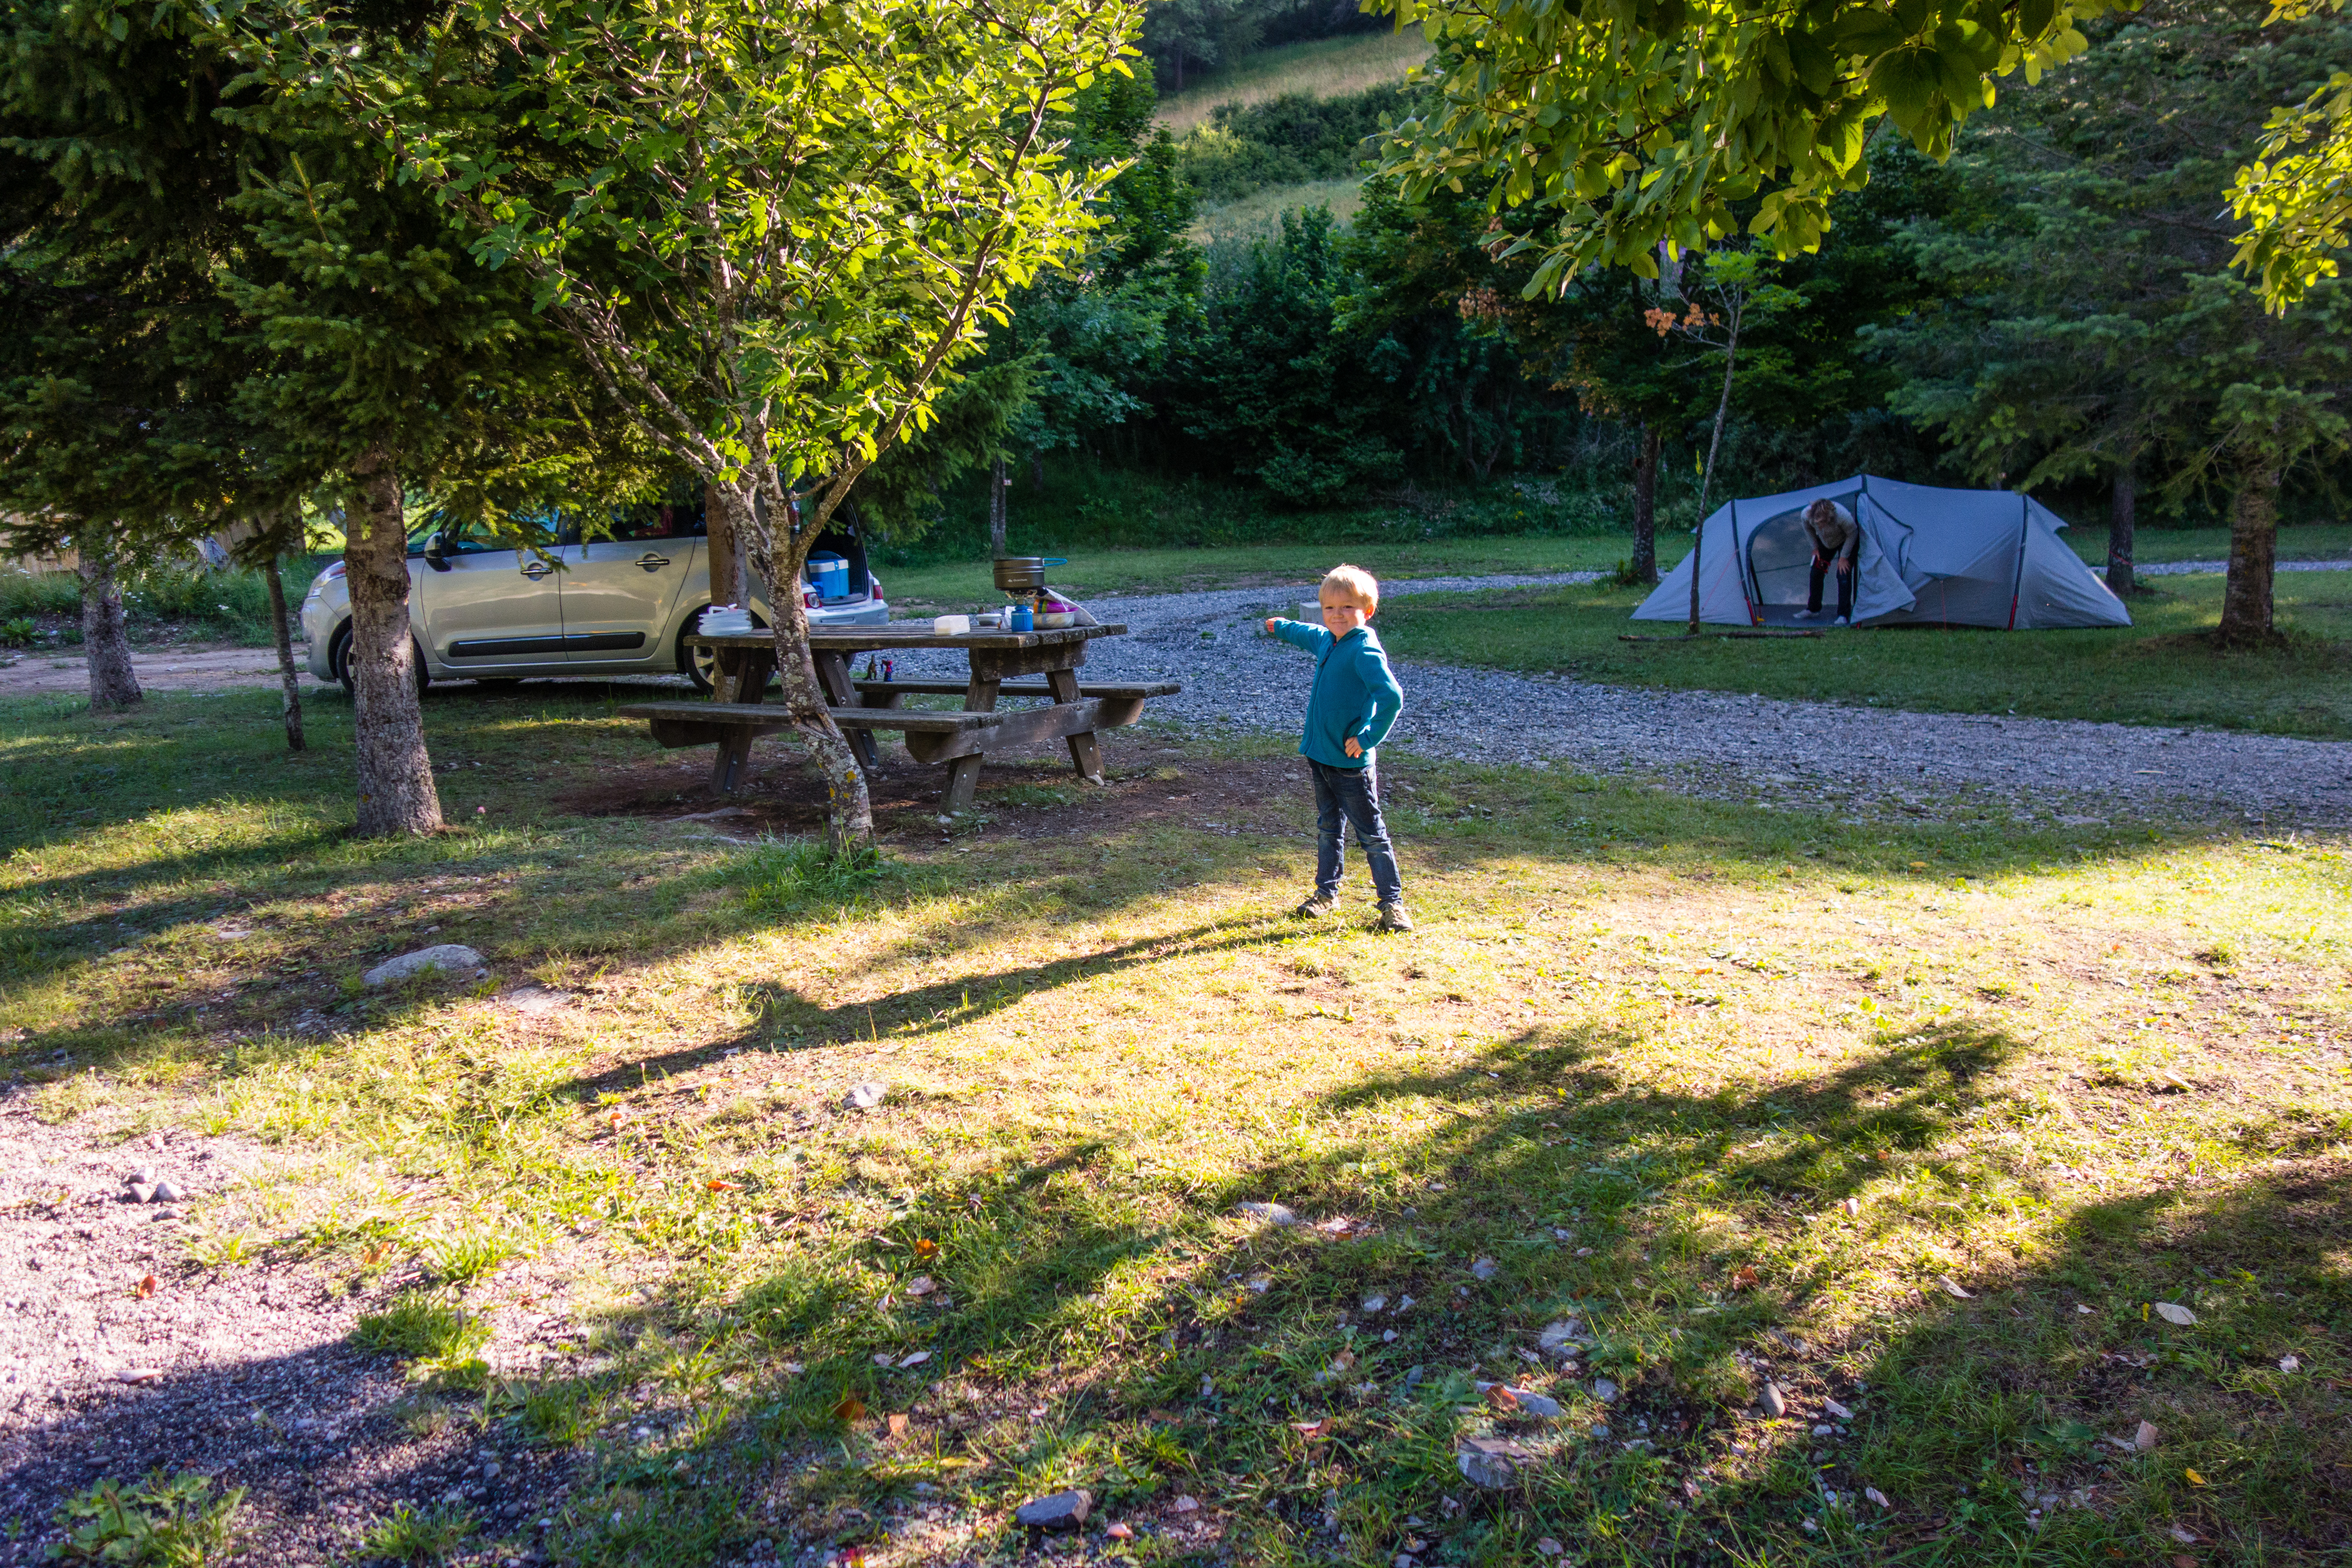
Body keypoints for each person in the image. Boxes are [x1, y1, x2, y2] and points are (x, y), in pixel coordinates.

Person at [1263, 565, 1412, 932]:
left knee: (1372, 836)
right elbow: (1307, 632)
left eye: (1347, 608)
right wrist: (1280, 626)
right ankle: (1326, 894)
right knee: (1329, 828)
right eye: (1330, 608)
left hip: (1350, 765)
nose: (1337, 615)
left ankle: (1393, 905)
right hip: (1320, 758)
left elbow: (1391, 698)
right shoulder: (1329, 639)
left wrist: (1366, 738)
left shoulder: (1363, 650)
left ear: (1368, 611)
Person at [1796, 497, 1859, 625]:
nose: (1819, 526)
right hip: (1826, 543)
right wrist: (1815, 548)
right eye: (1817, 523)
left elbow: (1853, 533)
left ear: (1828, 517)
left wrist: (1844, 557)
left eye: (1822, 523)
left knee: (1843, 574)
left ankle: (1843, 615)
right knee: (1817, 571)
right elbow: (1807, 528)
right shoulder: (1806, 514)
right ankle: (1813, 609)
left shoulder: (1841, 515)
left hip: (1845, 541)